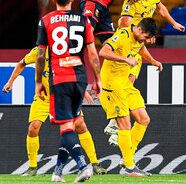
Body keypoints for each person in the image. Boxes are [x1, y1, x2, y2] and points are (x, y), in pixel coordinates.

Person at [104, 0, 185, 146]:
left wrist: (173, 23)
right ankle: (114, 124)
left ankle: (114, 125)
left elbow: (159, 7)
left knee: (130, 82)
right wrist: (142, 35)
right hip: (127, 47)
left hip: (137, 47)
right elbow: (124, 26)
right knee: (125, 82)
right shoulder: (132, 2)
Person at [2, 47, 107, 176]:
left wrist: (83, 92)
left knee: (80, 125)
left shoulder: (66, 52)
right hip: (44, 98)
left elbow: (73, 73)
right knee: (33, 128)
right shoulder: (38, 52)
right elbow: (21, 63)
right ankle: (32, 167)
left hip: (65, 96)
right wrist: (10, 82)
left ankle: (95, 164)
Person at [35, 0, 102, 183]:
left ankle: (83, 166)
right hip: (80, 78)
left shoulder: (46, 21)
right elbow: (92, 53)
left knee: (65, 127)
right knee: (71, 124)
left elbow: (40, 56)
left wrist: (38, 81)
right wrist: (97, 78)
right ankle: (57, 173)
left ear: (54, 0)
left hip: (60, 78)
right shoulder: (84, 20)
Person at [99, 17, 162, 177]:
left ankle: (127, 158)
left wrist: (153, 61)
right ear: (139, 30)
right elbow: (103, 51)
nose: (147, 41)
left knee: (143, 119)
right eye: (146, 37)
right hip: (112, 84)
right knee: (125, 124)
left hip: (125, 84)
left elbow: (140, 48)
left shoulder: (138, 39)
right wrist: (125, 59)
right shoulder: (122, 35)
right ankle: (129, 167)